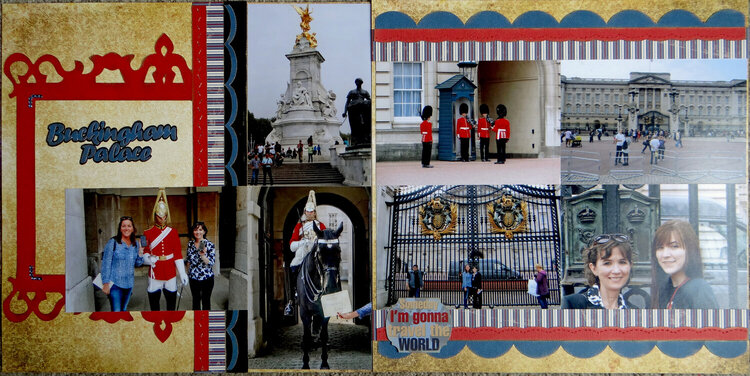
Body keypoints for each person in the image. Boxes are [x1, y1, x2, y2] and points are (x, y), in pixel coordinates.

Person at [650, 220, 718, 309]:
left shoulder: (699, 289)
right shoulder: (664, 289)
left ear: (690, 250)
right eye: (660, 248)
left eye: (674, 246)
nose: (665, 254)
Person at [143, 189, 189, 311]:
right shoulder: (146, 233)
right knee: (154, 305)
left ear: (167, 215)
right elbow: (144, 251)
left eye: (164, 216)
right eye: (159, 216)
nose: (162, 218)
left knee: (171, 304)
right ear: (155, 215)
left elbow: (178, 254)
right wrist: (148, 259)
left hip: (170, 271)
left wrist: (182, 273)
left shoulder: (173, 232)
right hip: (155, 271)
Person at [284, 190, 327, 316]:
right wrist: (302, 243)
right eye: (308, 211)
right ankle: (291, 300)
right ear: (305, 212)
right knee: (293, 267)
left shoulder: (321, 226)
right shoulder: (299, 227)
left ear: (315, 212)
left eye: (312, 211)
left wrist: (316, 242)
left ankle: (331, 298)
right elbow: (291, 246)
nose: (310, 213)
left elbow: (325, 240)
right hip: (303, 253)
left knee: (330, 269)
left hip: (317, 253)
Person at [561, 234, 632, 309]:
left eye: (622, 262)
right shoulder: (573, 304)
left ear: (630, 266)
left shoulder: (633, 311)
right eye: (607, 263)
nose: (616, 270)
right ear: (593, 268)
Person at [100, 216, 144, 312]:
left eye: (129, 226)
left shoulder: (135, 244)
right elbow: (106, 264)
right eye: (123, 226)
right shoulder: (113, 242)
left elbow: (138, 264)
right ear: (120, 228)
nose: (126, 228)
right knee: (116, 312)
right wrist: (105, 283)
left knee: (123, 311)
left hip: (128, 284)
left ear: (133, 228)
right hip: (115, 284)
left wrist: (140, 253)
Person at [186, 221, 215, 311]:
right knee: (195, 302)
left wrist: (203, 255)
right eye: (195, 230)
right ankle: (197, 323)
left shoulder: (209, 245)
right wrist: (187, 274)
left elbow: (211, 263)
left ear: (204, 232)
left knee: (206, 302)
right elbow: (188, 260)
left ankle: (206, 322)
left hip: (207, 278)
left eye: (200, 230)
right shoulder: (190, 244)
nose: (197, 232)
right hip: (194, 278)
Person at [342, 78, 372, 148]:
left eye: (359, 82)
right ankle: (355, 140)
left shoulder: (365, 92)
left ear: (362, 83)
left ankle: (364, 139)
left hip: (362, 109)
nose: (358, 83)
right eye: (357, 82)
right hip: (353, 110)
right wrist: (345, 112)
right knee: (354, 125)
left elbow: (370, 101)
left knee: (362, 124)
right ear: (355, 83)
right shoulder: (352, 92)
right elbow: (347, 102)